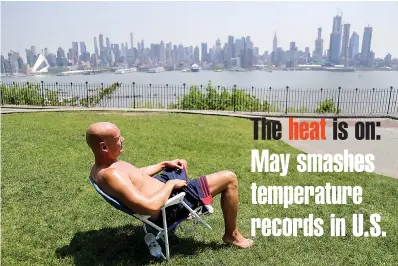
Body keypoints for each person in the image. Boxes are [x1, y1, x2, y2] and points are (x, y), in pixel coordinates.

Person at [86, 122, 254, 249]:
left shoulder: (104, 167)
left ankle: (193, 202)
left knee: (181, 164)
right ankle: (231, 235)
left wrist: (162, 164)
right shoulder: (111, 175)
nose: (122, 140)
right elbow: (149, 207)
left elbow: (135, 175)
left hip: (163, 189)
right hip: (168, 207)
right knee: (229, 178)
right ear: (104, 147)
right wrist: (172, 184)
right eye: (117, 138)